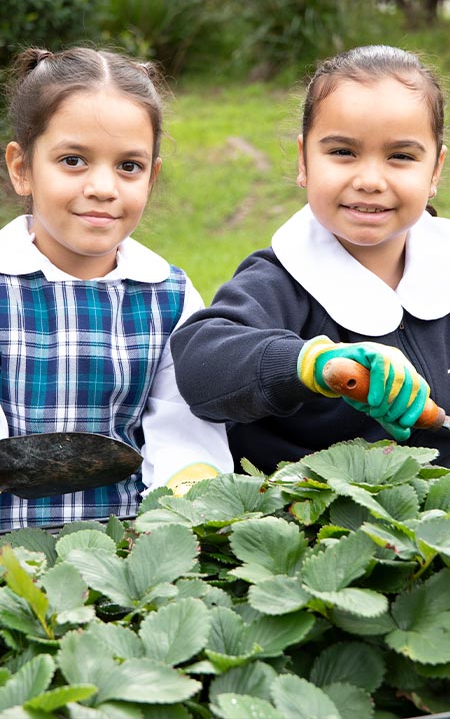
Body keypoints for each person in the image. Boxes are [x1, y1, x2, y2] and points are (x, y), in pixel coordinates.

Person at [171, 44, 450, 474]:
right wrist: (315, 366)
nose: (370, 180)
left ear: (435, 171)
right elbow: (200, 364)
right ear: (304, 160)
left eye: (401, 156)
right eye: (342, 152)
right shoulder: (281, 278)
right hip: (308, 522)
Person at [0, 46, 232, 530]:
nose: (104, 187)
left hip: (129, 545)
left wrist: (188, 492)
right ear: (21, 167)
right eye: (73, 160)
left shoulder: (169, 296)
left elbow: (182, 426)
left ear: (152, 176)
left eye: (129, 166)